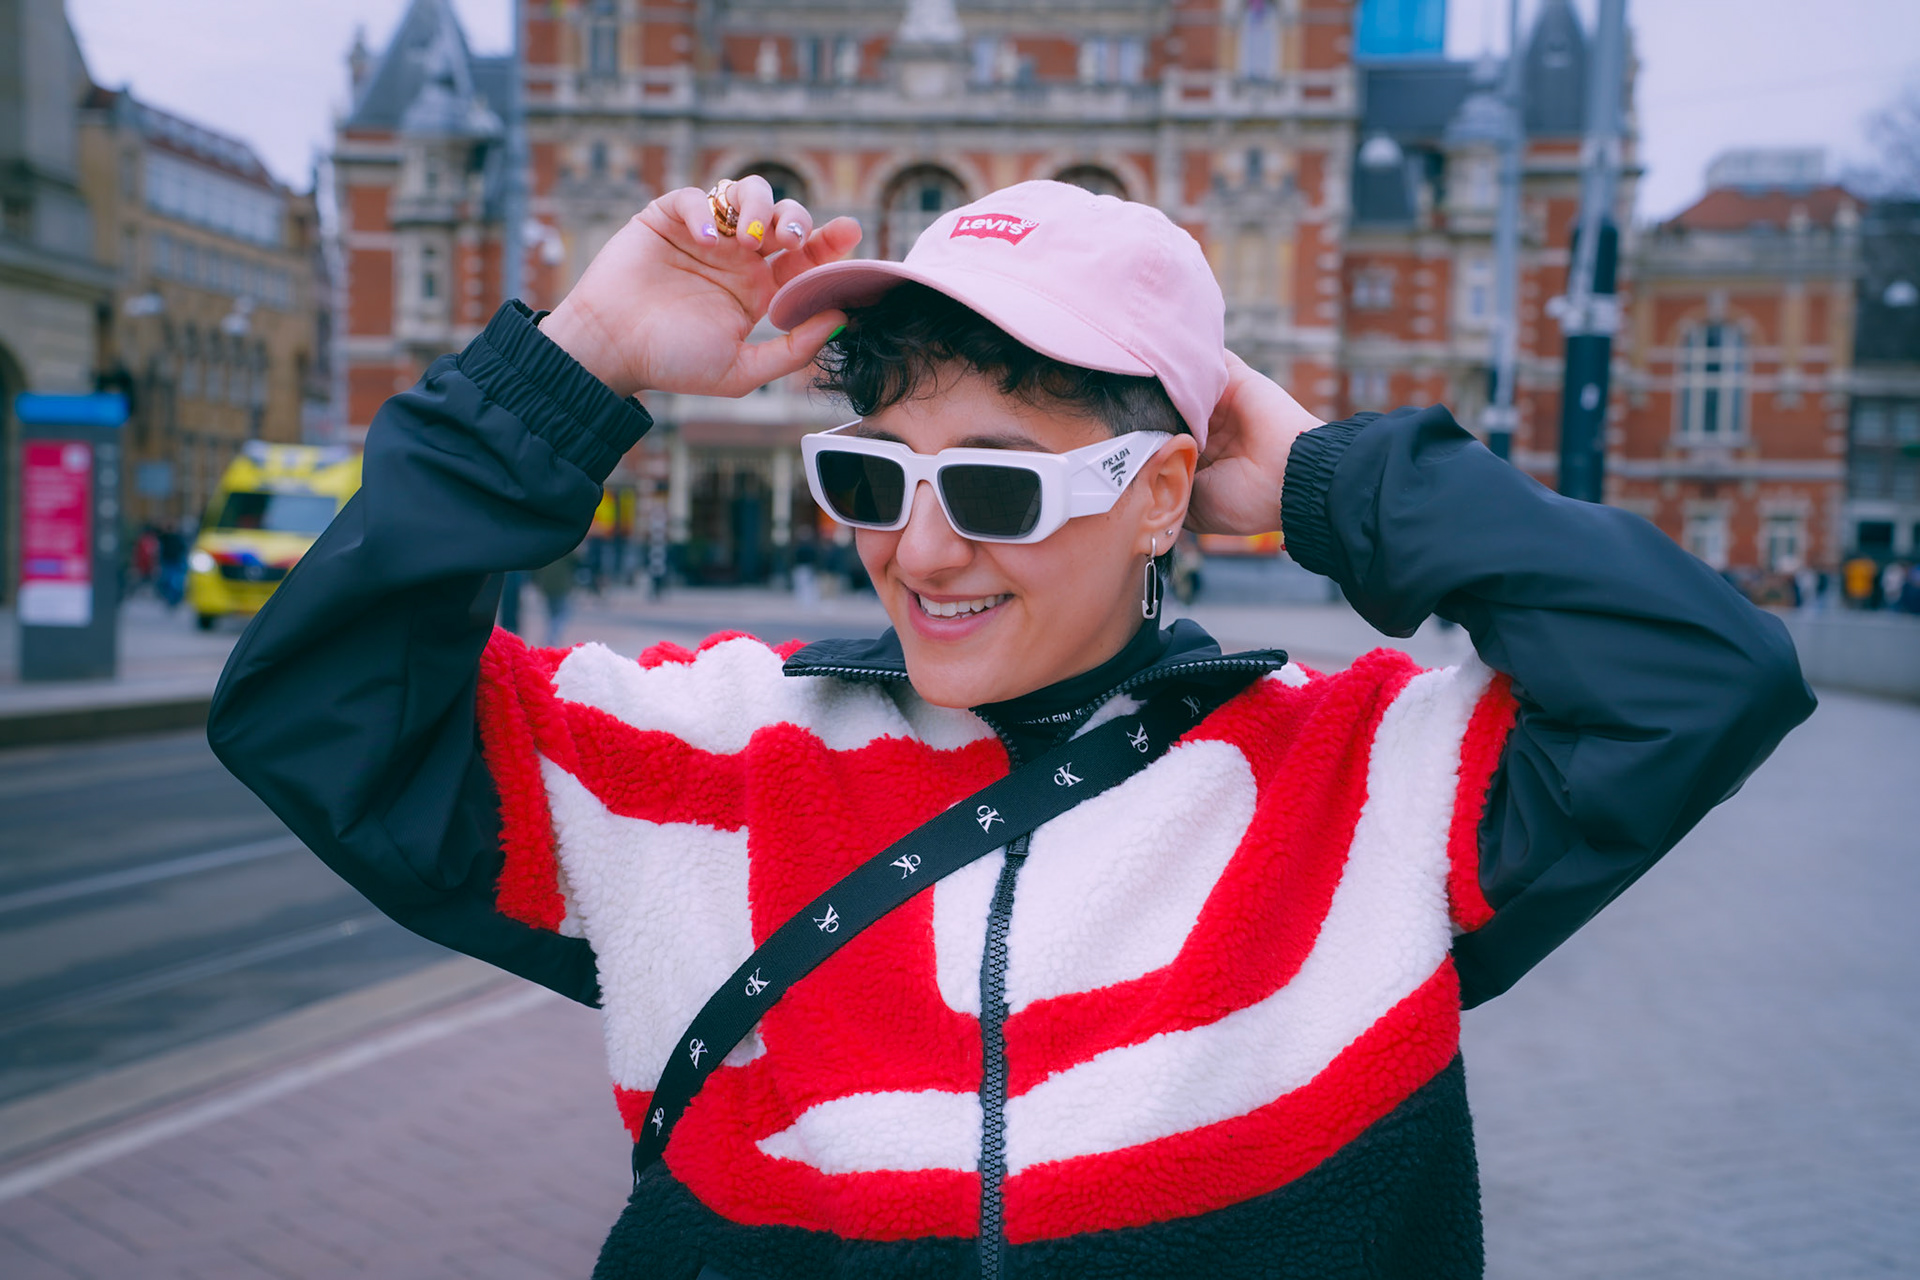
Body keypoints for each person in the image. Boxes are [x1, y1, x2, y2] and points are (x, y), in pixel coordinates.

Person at [208, 178, 1813, 1279]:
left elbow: (1700, 675)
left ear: (1162, 495)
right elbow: (320, 712)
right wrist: (577, 370)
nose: (918, 551)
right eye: (871, 475)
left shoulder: (1362, 782)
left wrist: (1330, 481)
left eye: (994, 485)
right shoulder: (714, 756)